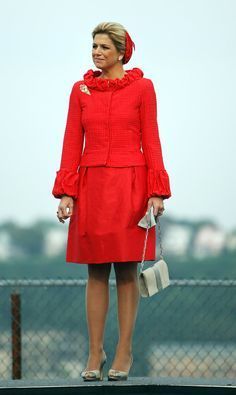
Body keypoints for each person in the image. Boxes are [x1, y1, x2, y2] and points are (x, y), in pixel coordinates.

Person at [52, 21, 172, 381]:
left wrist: (156, 190)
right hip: (92, 187)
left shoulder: (143, 88)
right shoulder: (80, 90)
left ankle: (124, 350)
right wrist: (67, 193)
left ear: (122, 52)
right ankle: (95, 351)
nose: (97, 52)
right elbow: (72, 143)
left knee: (126, 270)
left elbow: (151, 141)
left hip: (131, 187)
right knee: (95, 271)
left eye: (104, 47)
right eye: (94, 47)